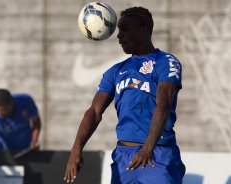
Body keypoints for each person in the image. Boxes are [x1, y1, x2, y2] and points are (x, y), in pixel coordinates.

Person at [64, 6, 185, 184]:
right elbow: (94, 112)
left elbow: (164, 105)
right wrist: (76, 150)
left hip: (158, 155)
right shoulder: (115, 71)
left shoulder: (166, 62)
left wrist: (147, 148)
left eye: (125, 30)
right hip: (124, 158)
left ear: (144, 30)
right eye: (119, 30)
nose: (119, 36)